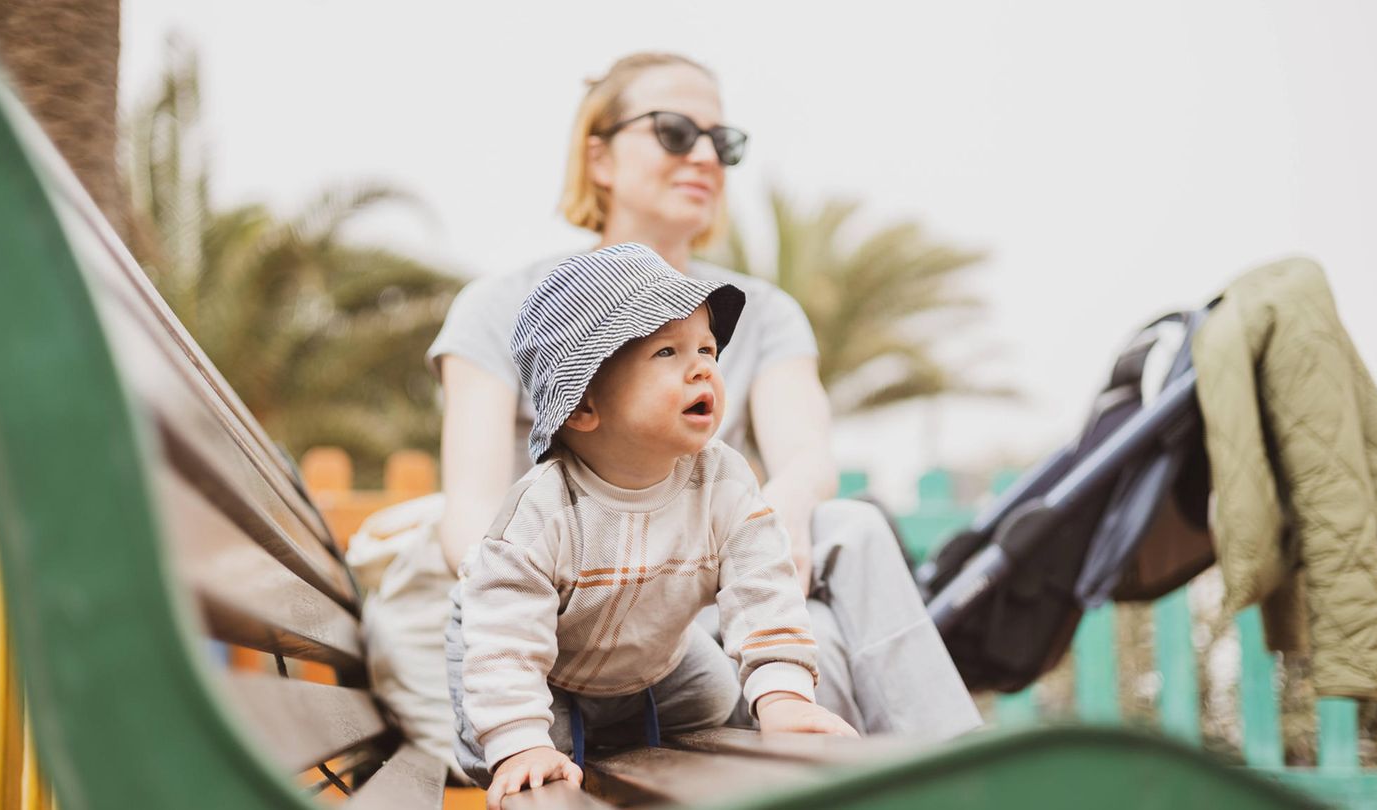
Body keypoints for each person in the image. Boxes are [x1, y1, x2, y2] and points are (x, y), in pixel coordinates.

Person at [356, 51, 979, 779]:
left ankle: (963, 776)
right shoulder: (509, 310)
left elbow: (807, 461)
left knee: (851, 534)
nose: (706, 156)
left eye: (724, 141)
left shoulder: (766, 314)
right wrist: (572, 613)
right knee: (824, 650)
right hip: (573, 602)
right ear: (600, 156)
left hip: (714, 591)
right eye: (676, 132)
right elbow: (470, 512)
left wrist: (769, 527)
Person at [450, 244, 858, 806]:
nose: (703, 367)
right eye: (667, 350)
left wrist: (785, 697)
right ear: (582, 405)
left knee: (721, 710)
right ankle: (531, 742)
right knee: (540, 765)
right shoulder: (543, 509)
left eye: (708, 349)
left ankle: (648, 742)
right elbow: (506, 641)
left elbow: (763, 588)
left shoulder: (722, 481)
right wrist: (519, 742)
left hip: (652, 658)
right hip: (535, 663)